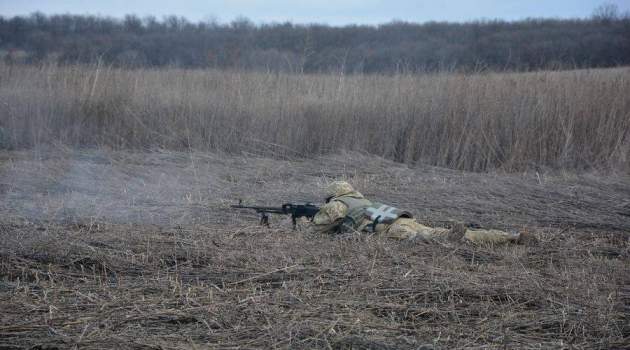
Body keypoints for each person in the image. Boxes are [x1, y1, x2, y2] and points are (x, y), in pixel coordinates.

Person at [311, 181, 530, 244]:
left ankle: (447, 238)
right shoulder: (361, 200)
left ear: (333, 195)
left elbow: (320, 228)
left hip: (390, 230)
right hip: (402, 218)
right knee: (462, 235)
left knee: (424, 239)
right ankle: (510, 236)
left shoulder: (337, 203)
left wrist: (310, 218)